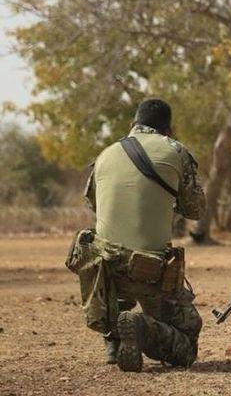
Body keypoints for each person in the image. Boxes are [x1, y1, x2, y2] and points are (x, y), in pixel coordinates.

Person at [76, 98, 205, 372]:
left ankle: (114, 340)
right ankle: (141, 327)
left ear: (132, 124)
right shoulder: (176, 151)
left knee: (112, 258)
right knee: (189, 333)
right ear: (169, 130)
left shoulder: (105, 154)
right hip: (152, 271)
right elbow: (195, 209)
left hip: (106, 272)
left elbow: (93, 203)